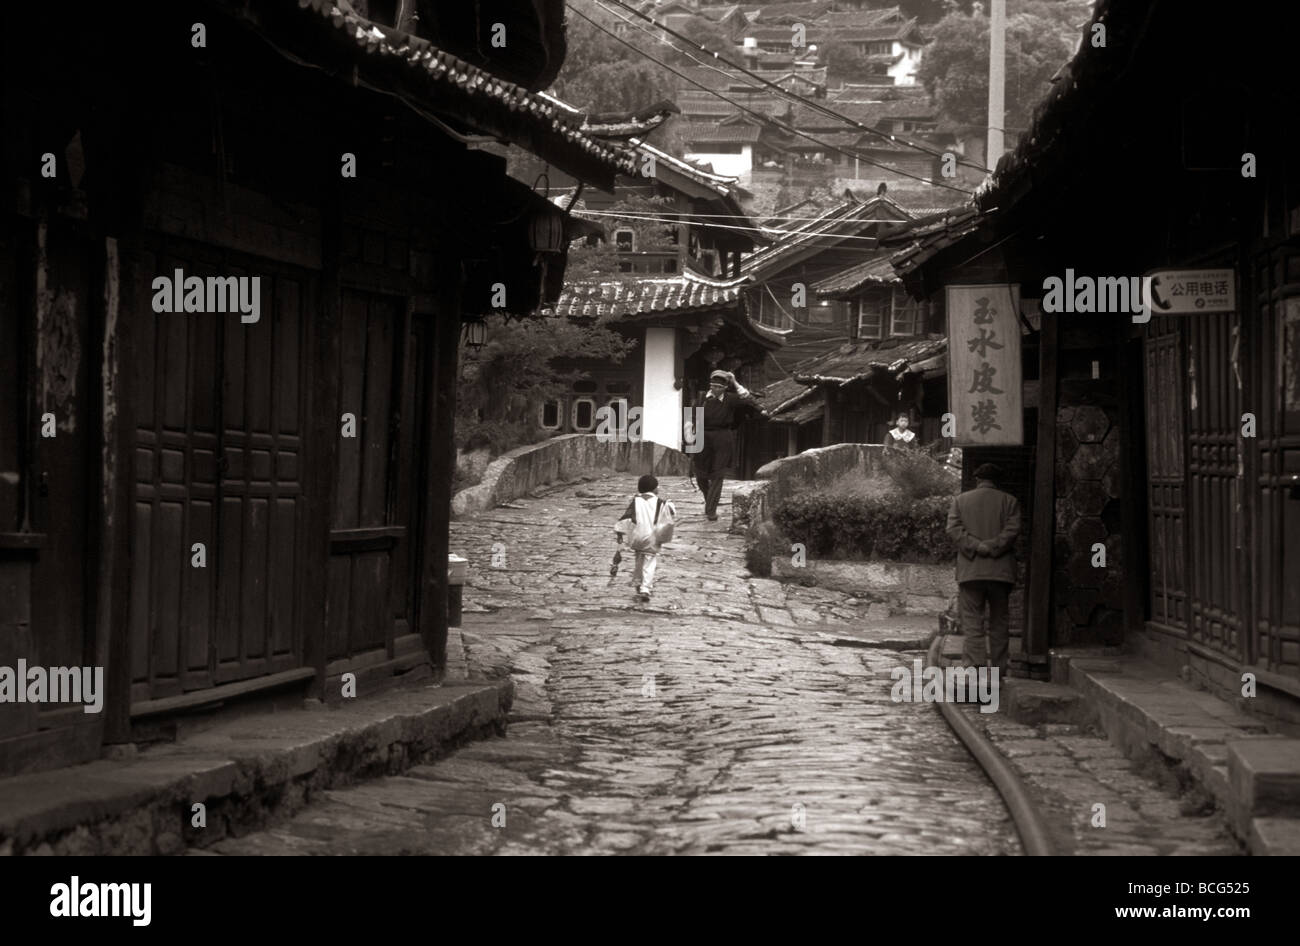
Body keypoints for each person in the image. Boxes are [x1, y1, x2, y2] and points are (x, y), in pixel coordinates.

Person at [945, 463, 1021, 675]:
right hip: (1000, 572)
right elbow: (1012, 530)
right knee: (999, 622)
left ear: (977, 479)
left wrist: (976, 546)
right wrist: (994, 545)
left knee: (972, 621)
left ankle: (975, 666)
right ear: (997, 481)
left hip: (971, 571)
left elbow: (953, 529)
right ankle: (999, 668)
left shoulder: (960, 501)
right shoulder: (1010, 501)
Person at [685, 369, 764, 521]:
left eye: (718, 387)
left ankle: (711, 510)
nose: (715, 389)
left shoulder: (730, 399)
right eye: (713, 386)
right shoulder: (702, 397)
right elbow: (690, 417)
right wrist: (688, 436)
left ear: (725, 388)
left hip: (722, 437)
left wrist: (735, 382)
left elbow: (748, 399)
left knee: (717, 474)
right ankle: (710, 499)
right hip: (701, 436)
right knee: (700, 474)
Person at [614, 474, 676, 602]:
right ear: (654, 489)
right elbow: (672, 512)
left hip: (637, 536)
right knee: (649, 562)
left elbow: (626, 518)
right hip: (652, 537)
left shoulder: (635, 501)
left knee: (639, 559)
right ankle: (645, 588)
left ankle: (638, 582)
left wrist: (619, 535)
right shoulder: (661, 503)